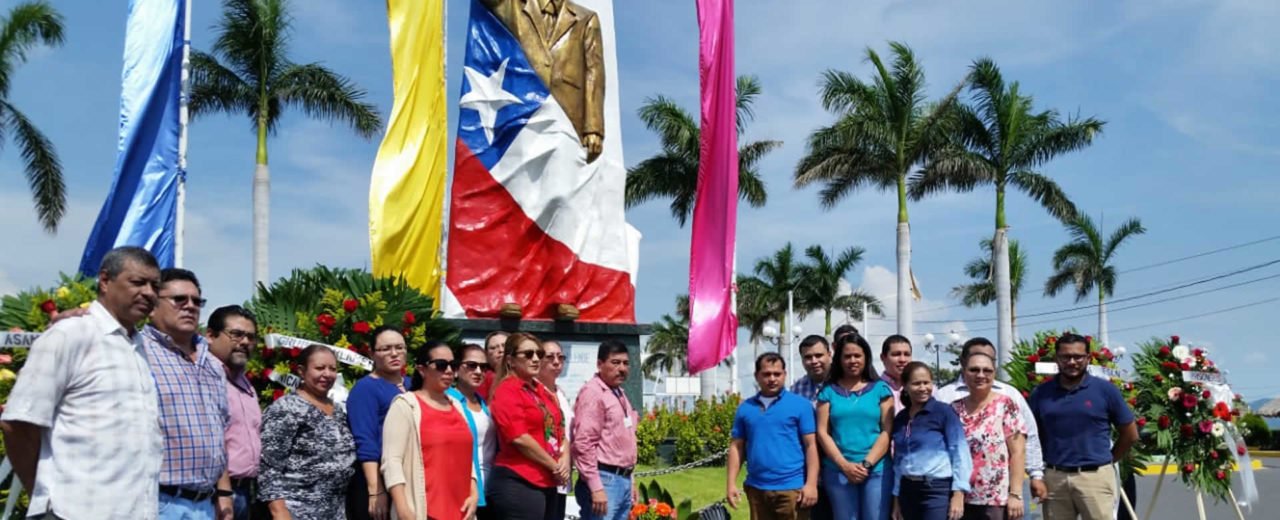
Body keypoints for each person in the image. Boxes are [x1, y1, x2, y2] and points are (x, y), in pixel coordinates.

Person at [1, 246, 163, 520]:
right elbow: (18, 423)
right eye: (137, 282)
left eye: (154, 286)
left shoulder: (139, 346)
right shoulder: (70, 334)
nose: (148, 292)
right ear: (104, 280)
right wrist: (46, 498)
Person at [142, 268, 230, 520]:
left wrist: (224, 494)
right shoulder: (137, 351)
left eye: (196, 301)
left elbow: (219, 433)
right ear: (153, 306)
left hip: (205, 504)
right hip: (158, 502)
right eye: (179, 299)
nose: (190, 306)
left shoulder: (212, 362)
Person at [1029, 333, 1139, 520]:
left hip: (1095, 477)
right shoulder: (1041, 393)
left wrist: (1108, 460)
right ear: (1057, 359)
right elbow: (1032, 436)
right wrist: (1036, 475)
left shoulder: (1105, 390)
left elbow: (1130, 434)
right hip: (1055, 479)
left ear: (1088, 358)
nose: (1072, 362)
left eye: (1078, 357)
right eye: (1066, 357)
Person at [479, 0, 605, 161]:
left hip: (567, 118)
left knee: (561, 176)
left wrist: (593, 129)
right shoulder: (512, 7)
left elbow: (594, 72)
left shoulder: (586, 19)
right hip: (523, 116)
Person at [933, 338, 1045, 504]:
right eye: (974, 367)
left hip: (997, 495)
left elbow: (1025, 441)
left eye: (988, 364)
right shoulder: (945, 397)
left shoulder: (1009, 396)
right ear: (964, 364)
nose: (981, 374)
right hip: (954, 494)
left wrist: (1035, 474)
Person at [382, 341, 479, 520]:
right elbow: (392, 462)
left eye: (454, 365)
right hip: (423, 511)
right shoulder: (405, 406)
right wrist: (403, 509)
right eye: (441, 365)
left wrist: (474, 494)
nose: (449, 371)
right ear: (422, 369)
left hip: (462, 511)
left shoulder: (457, 405)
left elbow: (467, 457)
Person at [259, 345, 356, 519]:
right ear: (302, 371)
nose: (327, 374)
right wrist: (279, 512)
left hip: (335, 511)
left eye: (332, 369)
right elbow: (268, 466)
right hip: (297, 510)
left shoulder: (337, 410)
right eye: (319, 368)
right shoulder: (286, 408)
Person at [726, 353, 819, 520]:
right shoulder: (745, 408)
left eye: (777, 374)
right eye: (766, 374)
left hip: (792, 489)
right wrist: (731, 483)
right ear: (757, 376)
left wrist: (811, 484)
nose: (772, 378)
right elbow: (736, 446)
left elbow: (811, 446)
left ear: (785, 374)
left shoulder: (801, 406)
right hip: (757, 489)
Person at [487, 332, 569, 520]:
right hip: (519, 480)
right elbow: (519, 438)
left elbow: (560, 429)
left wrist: (564, 458)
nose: (535, 359)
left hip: (548, 480)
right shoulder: (507, 390)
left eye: (539, 354)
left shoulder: (541, 390)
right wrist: (555, 466)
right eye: (528, 354)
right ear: (511, 360)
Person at [816, 333, 893, 520]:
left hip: (876, 470)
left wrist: (866, 464)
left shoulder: (881, 389)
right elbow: (822, 432)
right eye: (847, 356)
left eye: (857, 356)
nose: (852, 360)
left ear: (866, 357)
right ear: (839, 359)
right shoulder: (827, 392)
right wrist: (844, 466)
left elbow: (887, 431)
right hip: (838, 471)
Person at [891, 362, 971, 520]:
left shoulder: (943, 412)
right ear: (905, 386)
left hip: (936, 489)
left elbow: (960, 452)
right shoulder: (901, 418)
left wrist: (959, 492)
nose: (923, 388)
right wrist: (896, 499)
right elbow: (898, 462)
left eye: (926, 383)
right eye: (916, 383)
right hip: (908, 490)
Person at [206, 305, 265, 520]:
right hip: (216, 494)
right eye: (237, 335)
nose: (245, 342)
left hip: (245, 493)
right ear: (210, 336)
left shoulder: (246, 384)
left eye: (251, 337)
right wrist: (223, 492)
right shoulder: (204, 377)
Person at [346, 326, 411, 520]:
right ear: (372, 354)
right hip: (380, 478)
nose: (394, 353)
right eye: (385, 349)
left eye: (399, 347)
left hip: (409, 475)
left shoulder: (413, 384)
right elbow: (366, 441)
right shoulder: (365, 389)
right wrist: (376, 490)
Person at [953, 352, 1025, 520]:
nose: (980, 375)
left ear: (994, 373)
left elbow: (1018, 452)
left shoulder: (1006, 405)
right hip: (960, 498)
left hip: (995, 500)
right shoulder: (953, 409)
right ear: (964, 373)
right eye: (974, 370)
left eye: (987, 370)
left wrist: (1015, 494)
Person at [572, 340, 639, 520]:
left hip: (621, 479)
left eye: (626, 363)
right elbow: (583, 443)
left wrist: (630, 480)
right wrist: (596, 487)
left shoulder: (618, 393)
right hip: (604, 480)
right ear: (600, 364)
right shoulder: (593, 393)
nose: (622, 368)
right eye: (615, 363)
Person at [447, 344, 499, 520]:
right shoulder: (447, 401)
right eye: (471, 365)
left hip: (490, 489)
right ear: (455, 369)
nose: (478, 371)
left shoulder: (482, 403)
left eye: (483, 367)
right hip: (463, 491)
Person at [539, 339, 573, 520]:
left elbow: (566, 433)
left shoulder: (560, 393)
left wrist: (566, 461)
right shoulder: (533, 392)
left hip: (562, 475)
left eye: (561, 357)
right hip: (543, 473)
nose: (556, 361)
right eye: (550, 357)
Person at [879, 335, 913, 415]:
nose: (902, 360)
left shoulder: (924, 389)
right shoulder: (873, 389)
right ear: (883, 357)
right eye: (896, 354)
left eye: (907, 354)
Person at [792, 335, 832, 403]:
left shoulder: (844, 383)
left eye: (818, 355)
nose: (814, 361)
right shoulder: (796, 389)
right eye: (808, 357)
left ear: (829, 355)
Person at [479, 331, 509, 400]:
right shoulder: (482, 378)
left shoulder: (526, 375)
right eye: (493, 348)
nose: (501, 350)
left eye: (505, 346)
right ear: (486, 355)